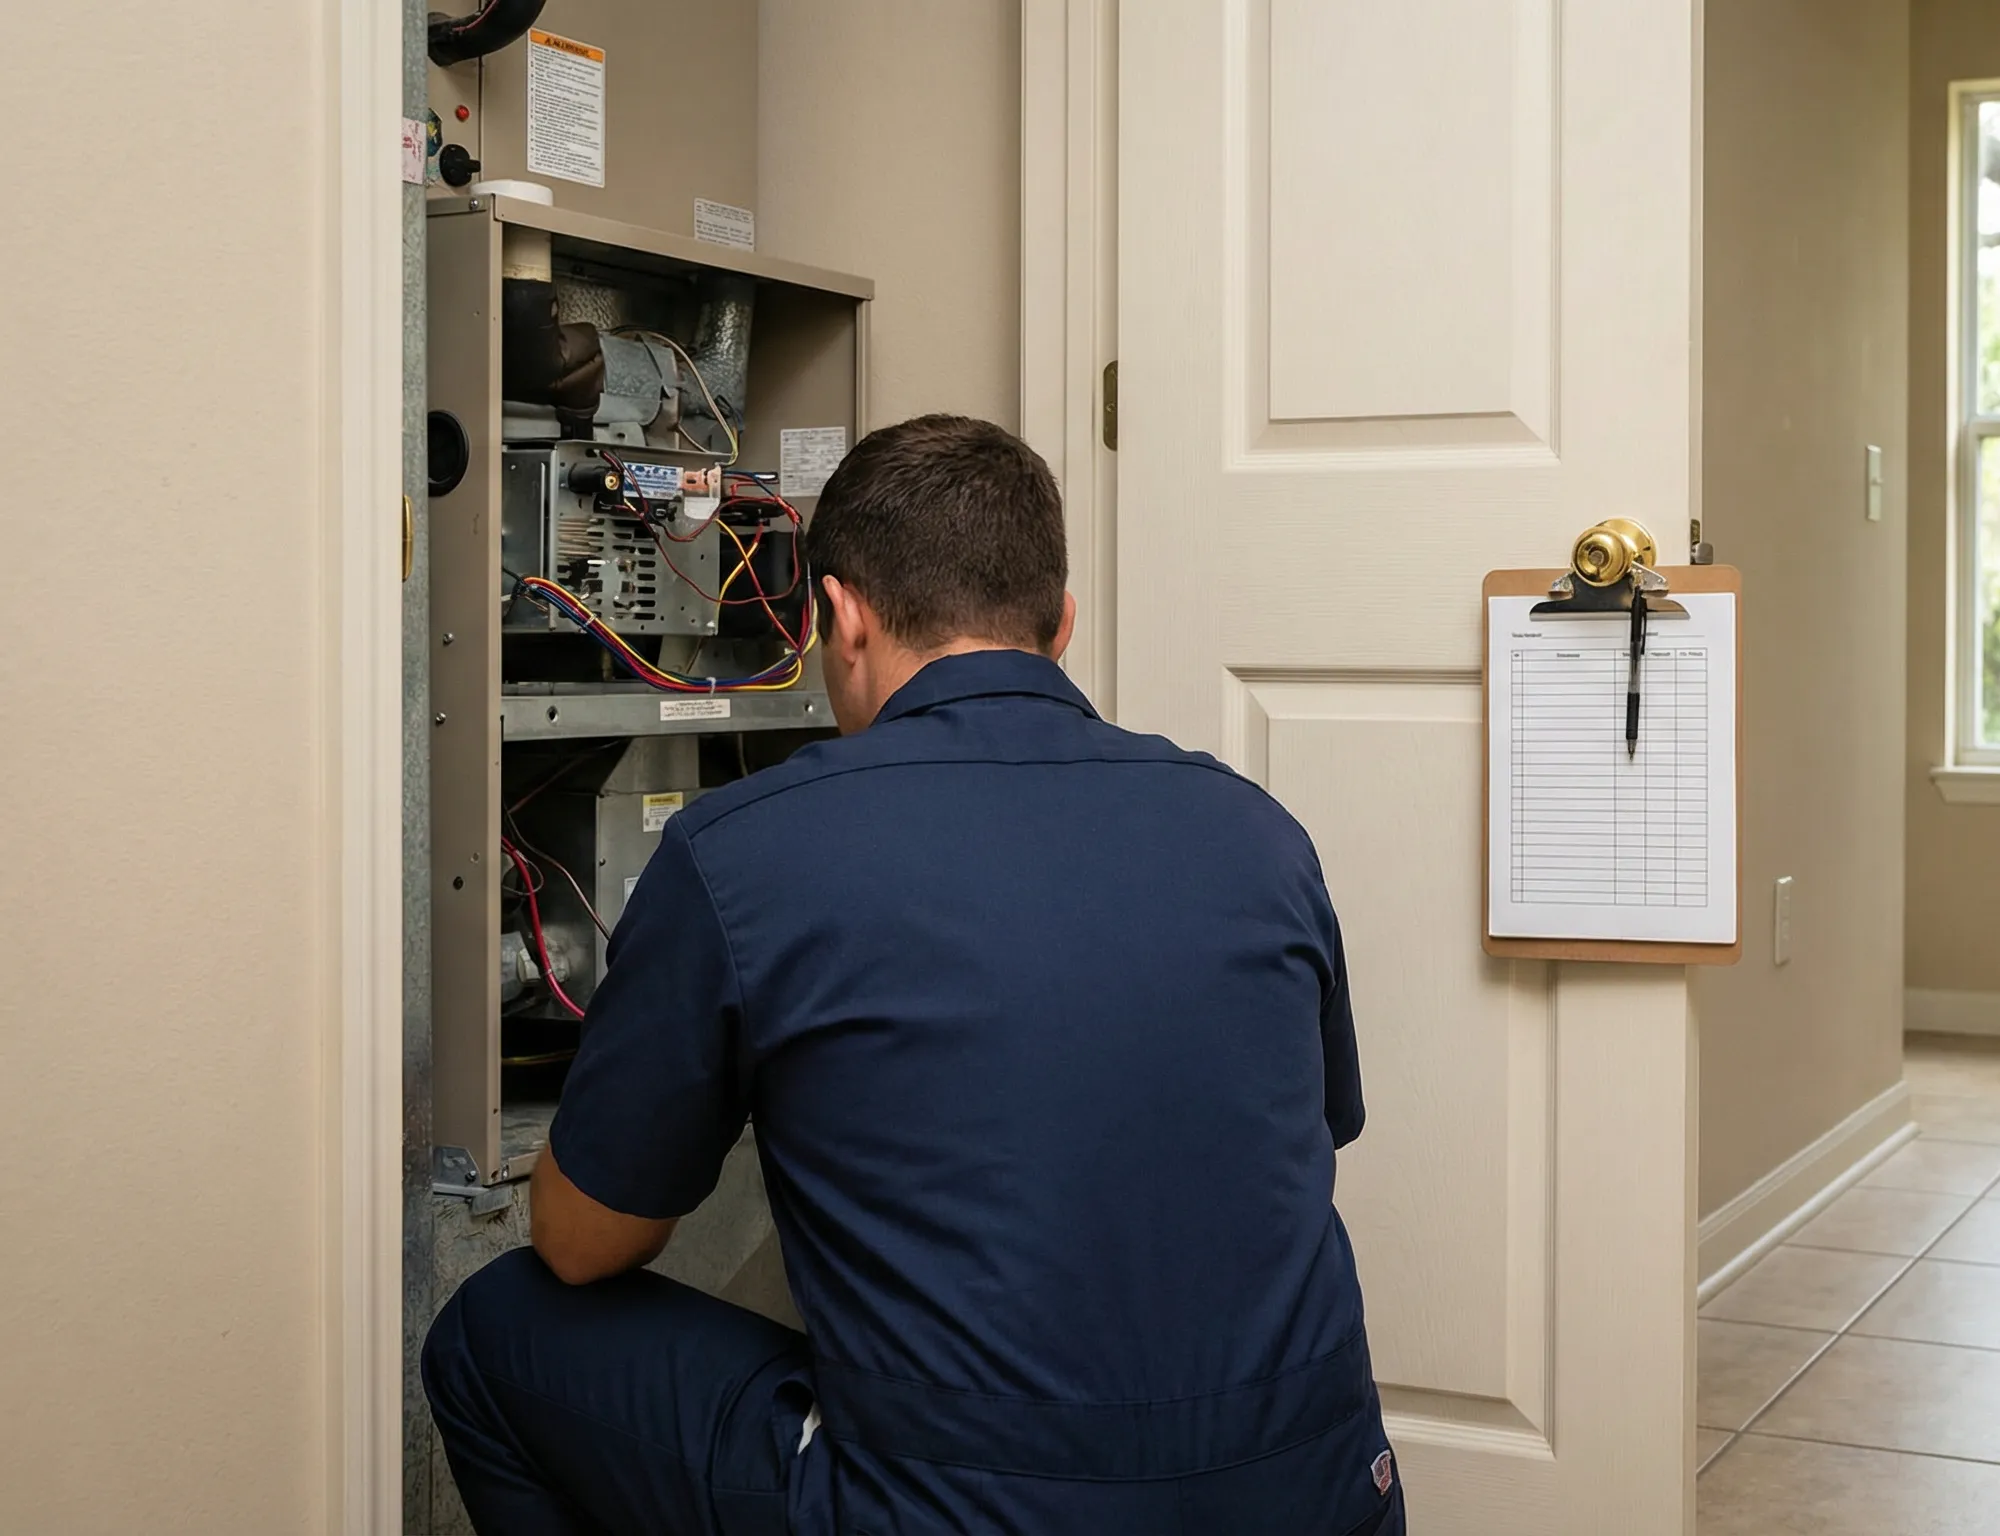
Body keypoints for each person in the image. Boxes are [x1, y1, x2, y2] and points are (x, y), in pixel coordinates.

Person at [423, 415, 1401, 1536]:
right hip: (1318, 1500)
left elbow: (587, 1242)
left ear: (836, 615)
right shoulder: (1254, 830)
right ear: (1060, 625)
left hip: (967, 1514)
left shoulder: (745, 850)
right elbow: (1305, 1133)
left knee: (494, 1331)